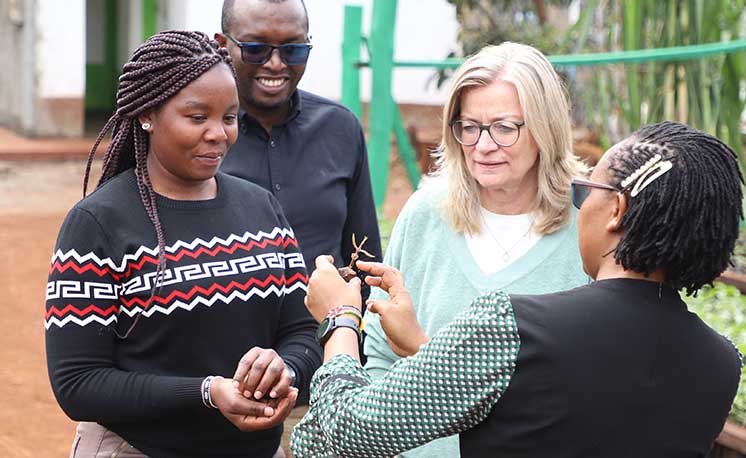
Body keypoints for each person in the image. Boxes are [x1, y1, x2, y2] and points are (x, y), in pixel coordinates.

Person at [292, 121, 743, 458]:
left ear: (616, 211)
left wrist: (341, 319)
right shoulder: (721, 363)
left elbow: (338, 435)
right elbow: (545, 410)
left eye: (585, 192)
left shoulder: (511, 325)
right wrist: (425, 350)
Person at [45, 30, 321, 458]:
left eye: (229, 118)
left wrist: (283, 369)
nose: (218, 134)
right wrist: (206, 392)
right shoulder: (98, 224)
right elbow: (78, 382)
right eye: (197, 118)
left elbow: (302, 331)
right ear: (147, 115)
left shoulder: (261, 209)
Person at [362, 42, 589, 457]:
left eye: (504, 127)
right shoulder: (425, 213)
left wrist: (424, 350)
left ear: (545, 128)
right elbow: (378, 350)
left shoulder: (586, 234)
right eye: (469, 126)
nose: (483, 145)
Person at [215, 0, 382, 292]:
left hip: (330, 333)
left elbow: (365, 261)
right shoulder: (200, 137)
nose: (276, 64)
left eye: (293, 50)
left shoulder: (340, 129)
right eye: (256, 48)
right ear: (221, 46)